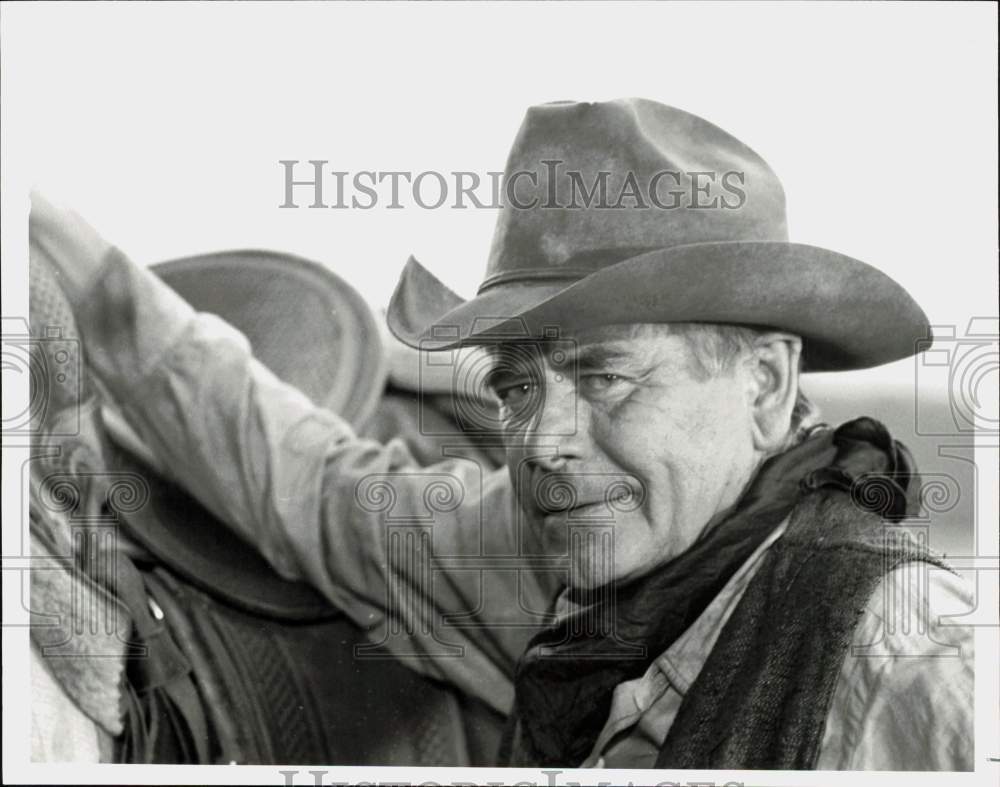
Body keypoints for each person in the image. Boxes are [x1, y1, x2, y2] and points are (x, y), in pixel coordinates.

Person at [31, 98, 973, 770]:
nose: (543, 442)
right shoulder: (537, 560)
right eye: (518, 387)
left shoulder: (907, 665)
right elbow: (304, 481)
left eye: (605, 375)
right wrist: (68, 257)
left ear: (765, 384)